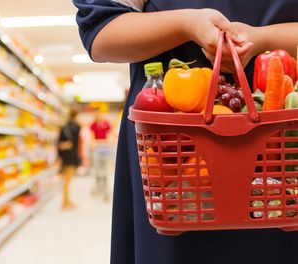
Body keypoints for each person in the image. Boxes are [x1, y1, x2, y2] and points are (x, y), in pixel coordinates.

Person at [73, 1, 298, 264]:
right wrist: (187, 24)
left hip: (282, 137)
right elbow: (101, 31)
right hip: (172, 148)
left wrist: (263, 38)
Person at [58, 109, 81, 210]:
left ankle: (66, 200)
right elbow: (76, 143)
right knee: (67, 181)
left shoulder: (64, 127)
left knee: (66, 180)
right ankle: (65, 202)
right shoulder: (76, 127)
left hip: (64, 156)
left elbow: (59, 143)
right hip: (71, 157)